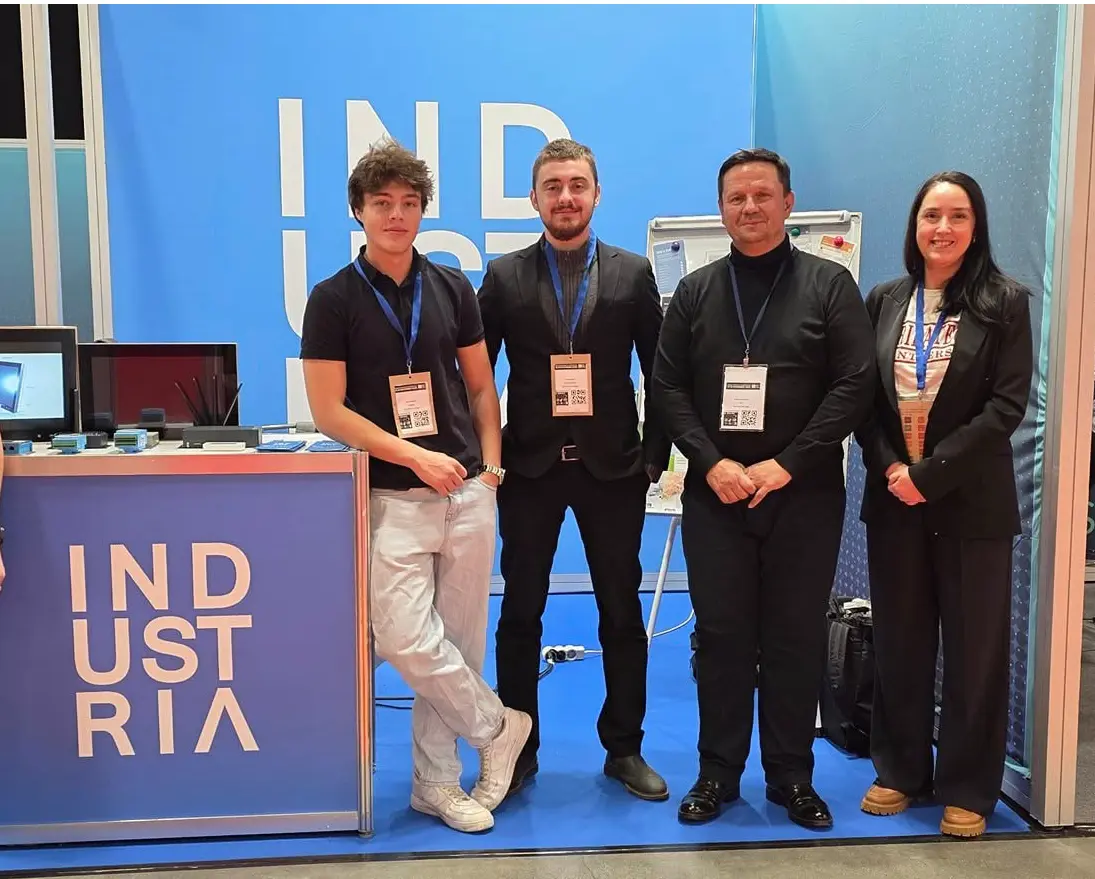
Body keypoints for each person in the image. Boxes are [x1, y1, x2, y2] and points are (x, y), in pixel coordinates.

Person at [299, 139, 531, 834]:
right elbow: (328, 410)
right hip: (389, 495)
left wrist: (489, 467)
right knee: (403, 635)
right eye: (381, 204)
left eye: (408, 204)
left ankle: (437, 783)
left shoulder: (452, 286)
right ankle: (498, 727)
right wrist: (413, 455)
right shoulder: (333, 298)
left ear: (422, 210)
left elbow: (482, 383)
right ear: (359, 212)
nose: (396, 216)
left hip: (466, 491)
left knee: (459, 645)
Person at [649, 147, 875, 829]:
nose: (748, 208)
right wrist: (710, 462)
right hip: (715, 496)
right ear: (722, 210)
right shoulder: (695, 292)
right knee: (720, 637)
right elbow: (666, 387)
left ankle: (790, 778)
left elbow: (853, 384)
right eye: (735, 199)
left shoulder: (828, 285)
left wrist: (788, 463)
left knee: (792, 636)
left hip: (801, 494)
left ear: (786, 203)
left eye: (760, 196)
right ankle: (716, 772)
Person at [478, 138, 671, 801]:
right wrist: (486, 461)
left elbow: (661, 369)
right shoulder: (502, 277)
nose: (565, 196)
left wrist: (653, 456)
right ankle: (517, 749)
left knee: (620, 612)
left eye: (577, 184)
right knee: (520, 614)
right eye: (552, 185)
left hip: (612, 470)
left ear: (595, 193)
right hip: (528, 469)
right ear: (534, 198)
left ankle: (624, 747)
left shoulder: (631, 273)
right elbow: (476, 379)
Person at [855, 171, 1033, 839]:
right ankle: (900, 769)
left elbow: (1005, 406)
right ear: (914, 223)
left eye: (957, 215)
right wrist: (893, 469)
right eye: (931, 214)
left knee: (972, 649)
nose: (942, 227)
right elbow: (863, 400)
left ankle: (967, 785)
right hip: (893, 497)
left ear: (975, 226)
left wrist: (930, 474)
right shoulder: (884, 299)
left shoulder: (1003, 302)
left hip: (970, 505)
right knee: (899, 642)